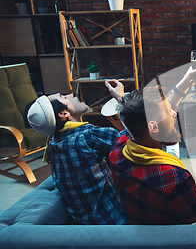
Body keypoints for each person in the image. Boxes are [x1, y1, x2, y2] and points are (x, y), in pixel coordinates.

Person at [107, 68, 196, 225]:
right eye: (168, 111)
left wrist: (124, 101)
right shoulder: (176, 179)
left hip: (151, 216)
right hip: (187, 229)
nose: (174, 113)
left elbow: (137, 119)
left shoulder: (117, 149)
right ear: (153, 127)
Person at [27, 82, 128, 225]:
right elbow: (135, 138)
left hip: (85, 226)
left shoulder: (55, 144)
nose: (71, 94)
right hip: (116, 221)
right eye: (64, 97)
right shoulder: (88, 137)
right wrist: (121, 99)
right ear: (63, 114)